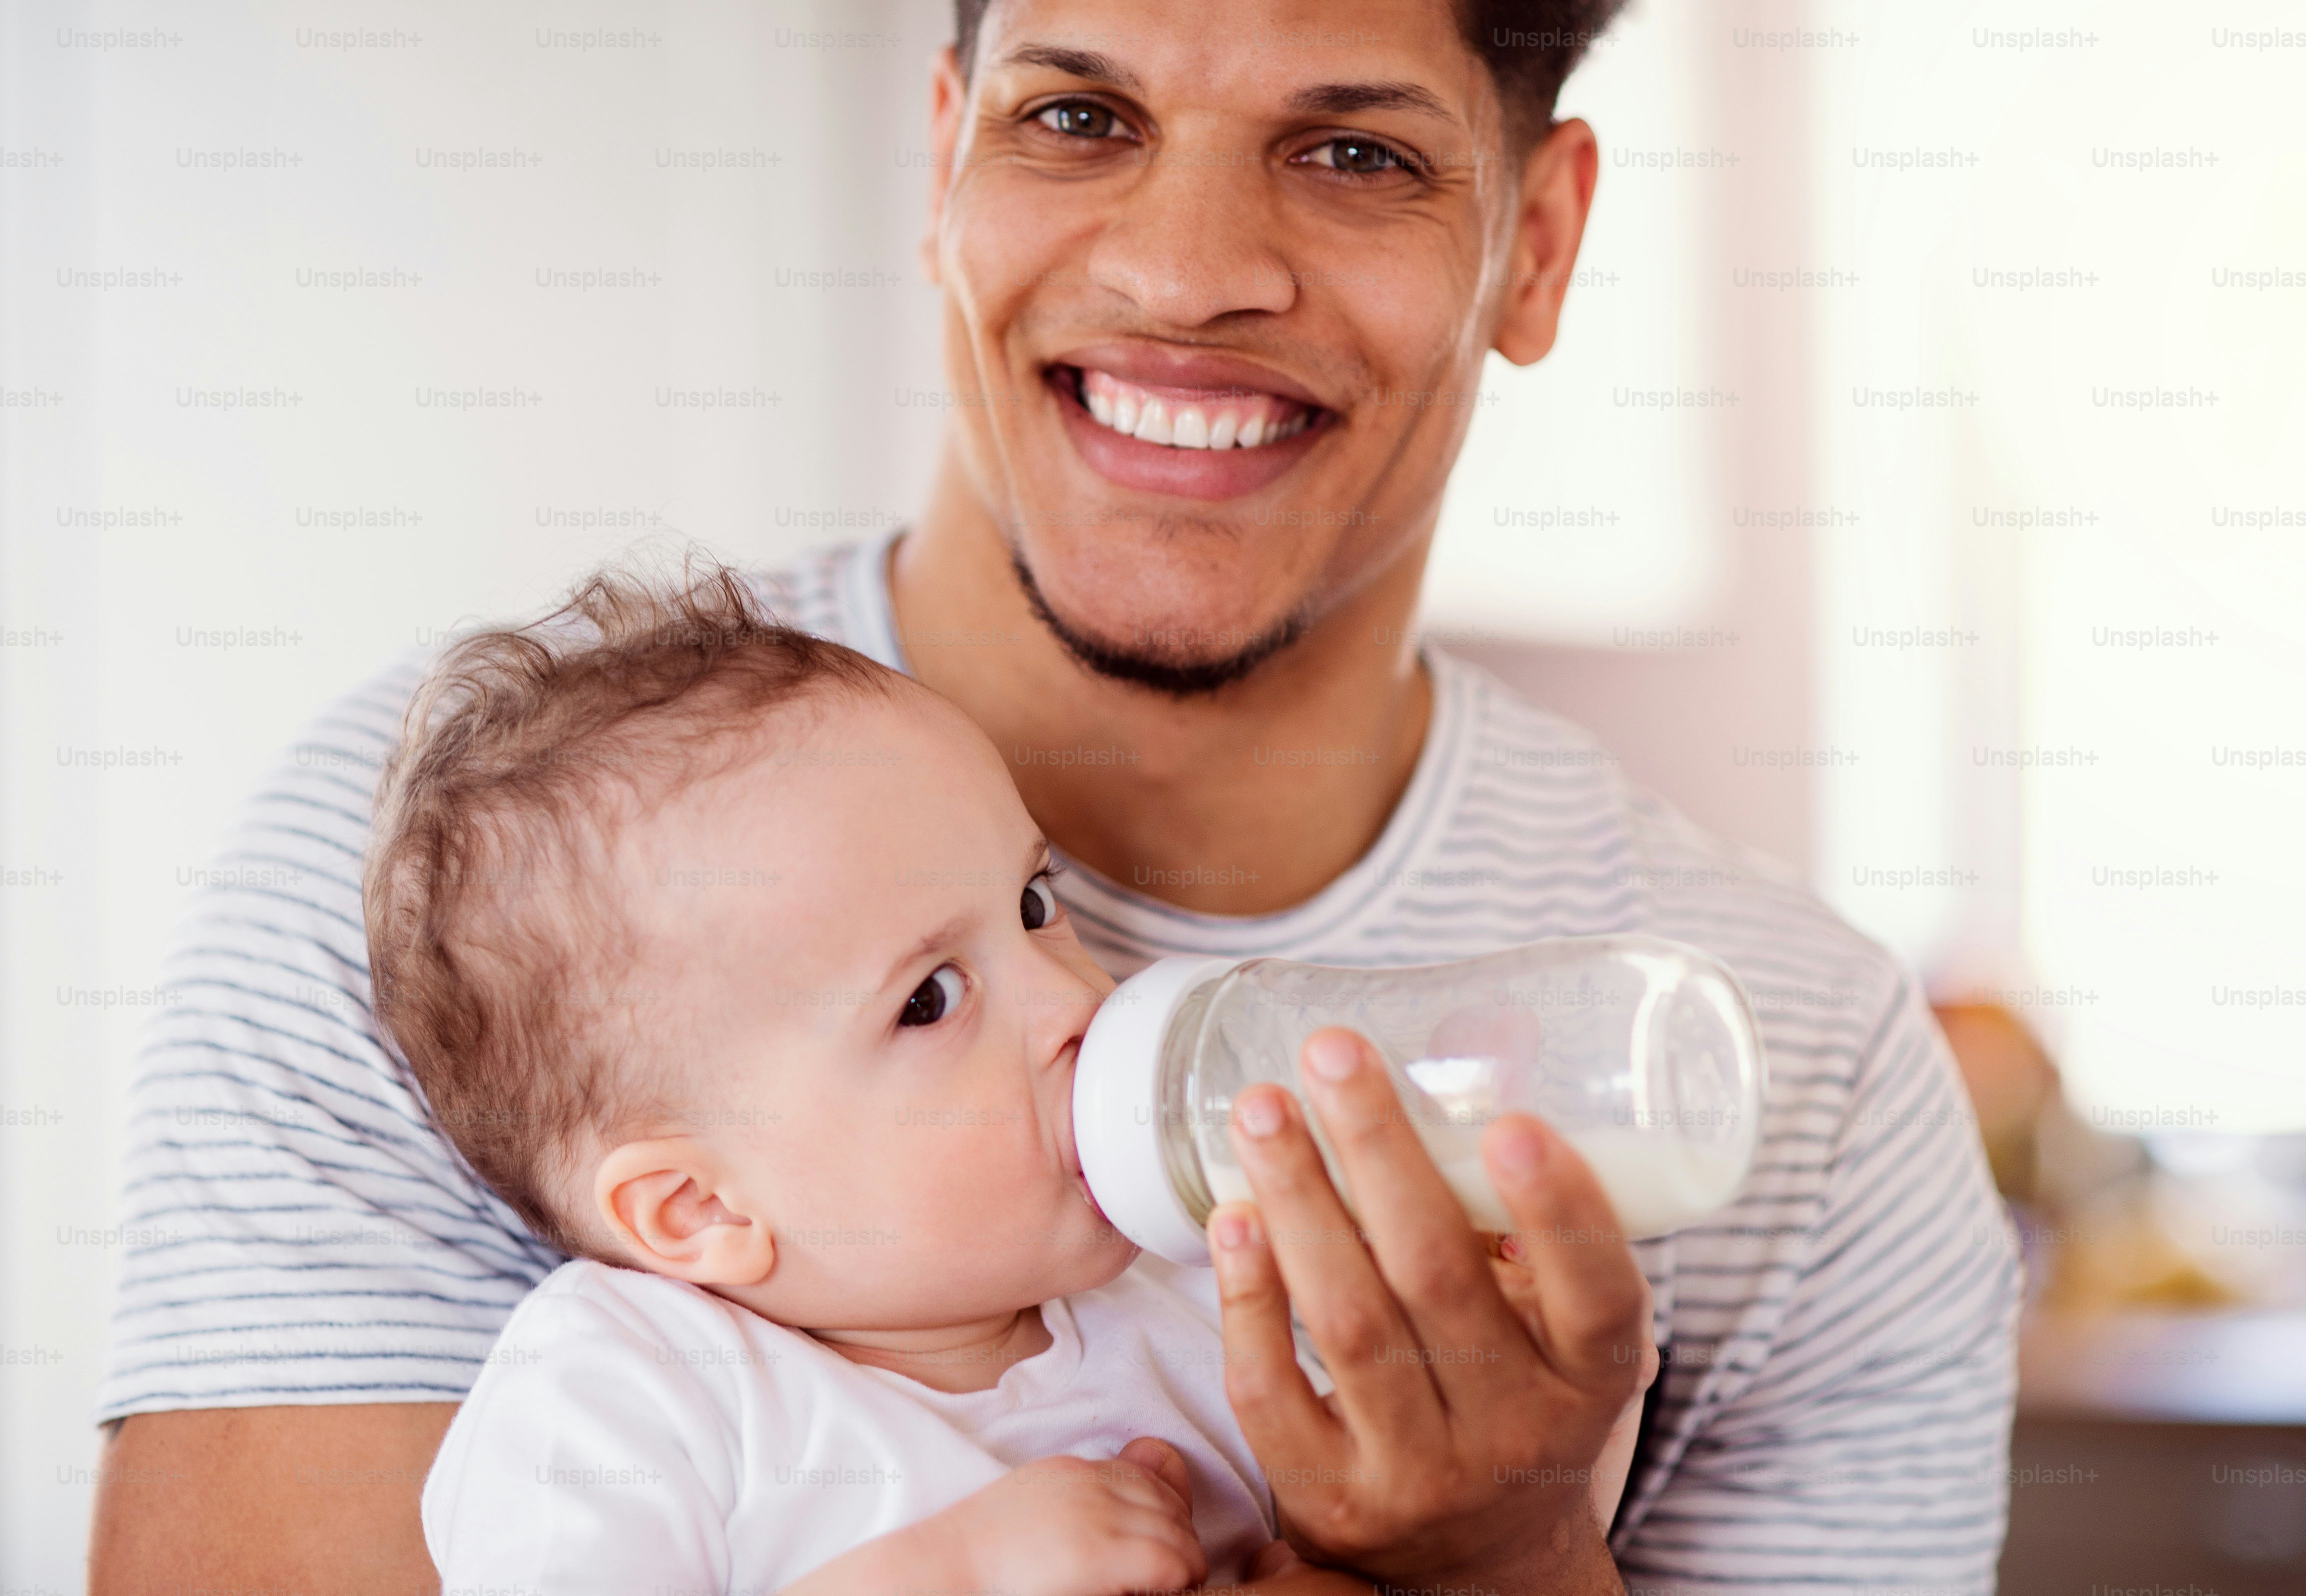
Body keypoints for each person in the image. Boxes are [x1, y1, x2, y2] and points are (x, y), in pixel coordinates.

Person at [89, 2, 2021, 1592]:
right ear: (942, 163)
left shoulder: (1815, 1079)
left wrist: (1503, 1552)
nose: (1185, 273)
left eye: (1354, 150)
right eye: (1078, 113)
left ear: (1534, 245)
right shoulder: (469, 878)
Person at [367, 567, 1644, 1590]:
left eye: (1034, 905)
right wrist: (952, 1573)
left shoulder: (1194, 1299)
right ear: (700, 1210)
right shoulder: (629, 1390)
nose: (1072, 1004)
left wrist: (1552, 1394)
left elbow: (1456, 1530)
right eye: (928, 999)